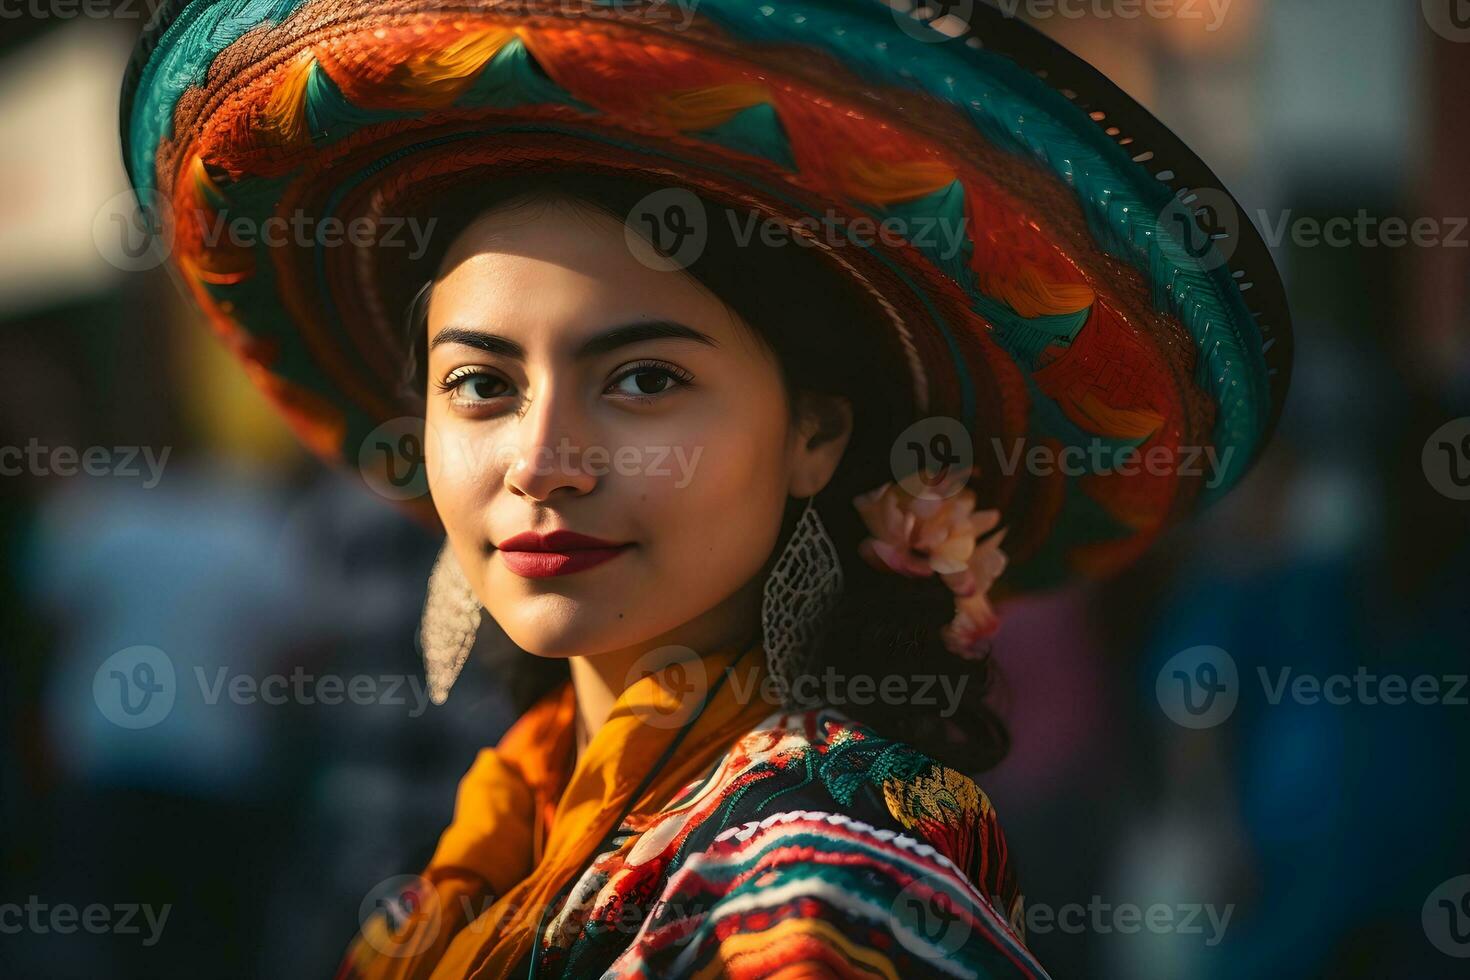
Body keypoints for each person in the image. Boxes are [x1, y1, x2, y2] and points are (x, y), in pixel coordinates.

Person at [118, 2, 1291, 976]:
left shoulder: (815, 890)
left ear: (814, 437)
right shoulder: (508, 833)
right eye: (479, 383)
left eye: (641, 378)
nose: (541, 459)